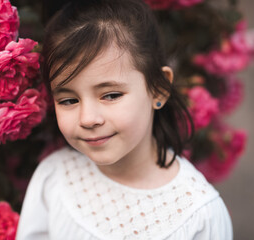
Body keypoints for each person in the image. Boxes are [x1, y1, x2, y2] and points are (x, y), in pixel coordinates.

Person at [16, 0, 233, 239]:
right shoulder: (54, 179)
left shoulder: (199, 216)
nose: (88, 119)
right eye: (69, 100)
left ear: (158, 88)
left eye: (111, 95)